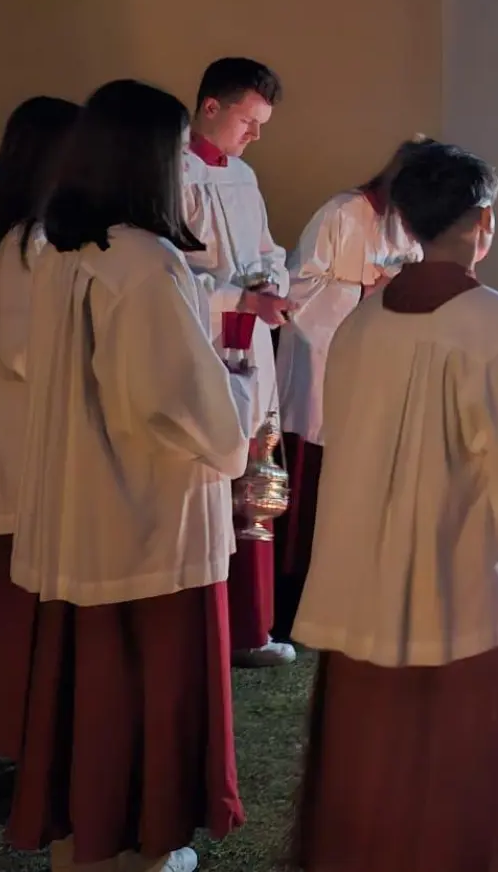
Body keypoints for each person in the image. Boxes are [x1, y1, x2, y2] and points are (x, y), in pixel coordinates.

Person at [6, 78, 253, 872]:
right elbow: (172, 401)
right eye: (179, 154)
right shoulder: (147, 262)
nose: (186, 171)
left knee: (92, 683)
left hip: (80, 501)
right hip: (148, 513)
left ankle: (83, 831)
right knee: (150, 686)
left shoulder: (63, 251)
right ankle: (142, 841)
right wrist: (239, 395)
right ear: (148, 160)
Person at [289, 141, 498, 872]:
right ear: (483, 221)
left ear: (403, 222)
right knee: (453, 763)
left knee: (369, 754)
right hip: (453, 576)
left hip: (361, 579)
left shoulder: (361, 324)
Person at [0, 95, 80, 762]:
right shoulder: (29, 244)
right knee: (18, 600)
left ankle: (17, 731)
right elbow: (22, 351)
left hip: (20, 446)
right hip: (24, 451)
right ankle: (11, 733)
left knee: (20, 599)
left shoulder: (16, 240)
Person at [271, 136, 426, 642]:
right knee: (315, 480)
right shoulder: (342, 213)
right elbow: (298, 287)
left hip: (375, 368)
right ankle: (294, 594)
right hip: (321, 366)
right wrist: (365, 291)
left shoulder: (410, 223)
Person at [181, 56, 297, 667]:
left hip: (249, 340)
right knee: (209, 479)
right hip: (201, 342)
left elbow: (268, 250)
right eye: (248, 121)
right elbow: (169, 276)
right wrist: (238, 296)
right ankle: (205, 625)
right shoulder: (172, 173)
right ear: (211, 106)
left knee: (256, 477)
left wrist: (272, 280)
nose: (254, 135)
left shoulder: (245, 177)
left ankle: (252, 625)